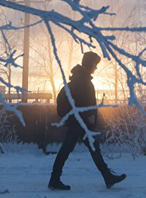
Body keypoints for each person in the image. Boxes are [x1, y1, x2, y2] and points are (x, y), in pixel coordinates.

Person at [48, 51, 127, 190]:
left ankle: (106, 176)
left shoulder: (80, 79)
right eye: (95, 64)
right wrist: (88, 116)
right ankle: (55, 179)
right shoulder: (82, 81)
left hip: (78, 121)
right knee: (75, 149)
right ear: (90, 64)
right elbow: (81, 102)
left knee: (83, 148)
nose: (96, 68)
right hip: (79, 122)